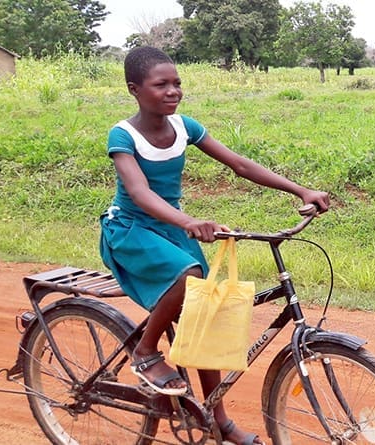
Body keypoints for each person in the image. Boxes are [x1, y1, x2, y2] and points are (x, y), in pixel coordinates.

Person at [99, 46, 330, 445]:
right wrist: (189, 221)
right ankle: (146, 351)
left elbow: (239, 164)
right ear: (134, 89)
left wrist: (301, 189)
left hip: (171, 231)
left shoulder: (185, 127)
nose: (173, 91)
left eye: (177, 83)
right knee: (188, 277)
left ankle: (217, 420)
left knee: (203, 316)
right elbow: (138, 192)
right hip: (131, 229)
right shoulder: (124, 135)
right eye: (161, 85)